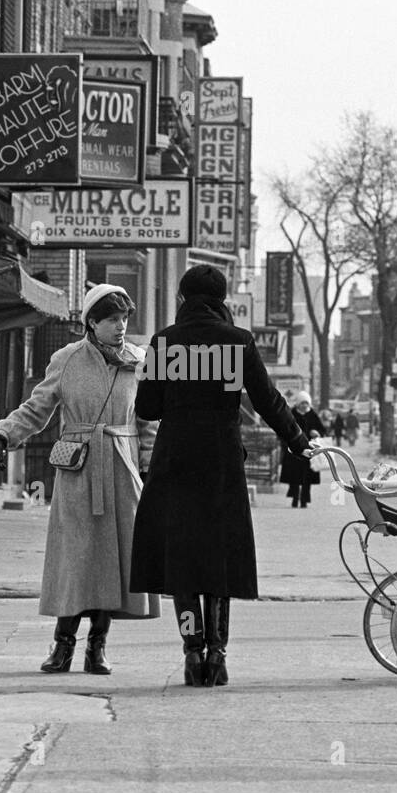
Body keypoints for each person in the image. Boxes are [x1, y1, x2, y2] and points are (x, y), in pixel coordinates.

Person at [131, 265, 315, 688]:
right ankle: (218, 655)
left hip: (175, 460)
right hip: (221, 462)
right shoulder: (237, 342)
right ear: (223, 300)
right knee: (218, 561)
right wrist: (298, 440)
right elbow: (268, 400)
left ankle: (192, 651)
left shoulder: (164, 343)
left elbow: (148, 409)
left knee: (181, 562)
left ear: (182, 298)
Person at [0, 285, 159, 675]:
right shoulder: (66, 359)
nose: (121, 327)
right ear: (91, 323)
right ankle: (63, 644)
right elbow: (37, 408)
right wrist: (4, 435)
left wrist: (147, 469)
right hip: (78, 474)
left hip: (122, 470)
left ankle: (97, 647)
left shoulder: (139, 361)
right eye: (112, 319)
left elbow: (148, 423)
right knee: (75, 561)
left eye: (124, 319)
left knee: (114, 562)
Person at [280, 391, 325, 508]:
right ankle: (295, 498)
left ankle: (304, 500)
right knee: (294, 477)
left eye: (306, 403)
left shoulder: (312, 415)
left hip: (309, 451)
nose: (304, 406)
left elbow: (322, 429)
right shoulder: (292, 413)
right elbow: (284, 428)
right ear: (298, 404)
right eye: (302, 403)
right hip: (294, 450)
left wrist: (317, 433)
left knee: (307, 478)